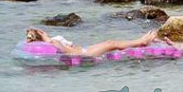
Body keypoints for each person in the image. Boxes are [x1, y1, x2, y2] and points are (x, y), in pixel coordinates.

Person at [25, 28, 159, 58]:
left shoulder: (51, 41)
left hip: (83, 50)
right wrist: (47, 39)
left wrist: (46, 37)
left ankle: (142, 42)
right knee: (111, 44)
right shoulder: (52, 43)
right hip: (84, 54)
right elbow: (63, 49)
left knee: (110, 42)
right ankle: (142, 41)